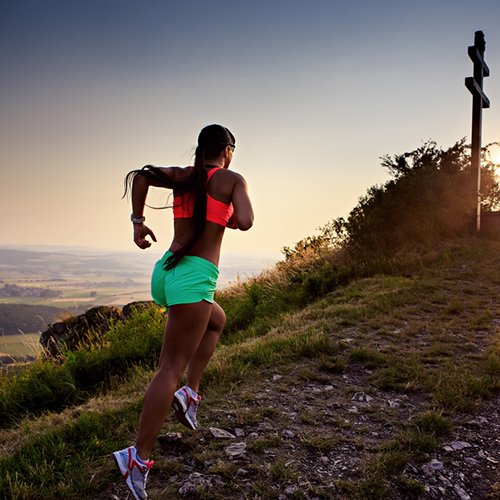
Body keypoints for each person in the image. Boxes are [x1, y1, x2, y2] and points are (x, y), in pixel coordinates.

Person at [112, 124, 253, 500]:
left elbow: (141, 176)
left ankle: (190, 393)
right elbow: (247, 221)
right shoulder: (232, 179)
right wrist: (231, 213)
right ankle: (136, 458)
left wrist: (138, 223)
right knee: (168, 368)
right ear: (228, 149)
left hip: (167, 271)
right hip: (194, 278)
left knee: (216, 321)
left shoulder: (186, 176)